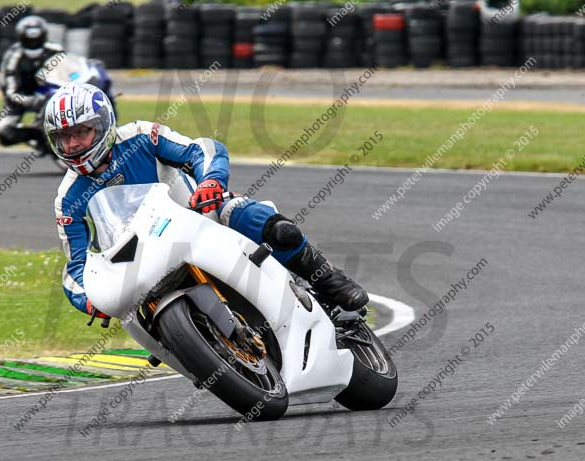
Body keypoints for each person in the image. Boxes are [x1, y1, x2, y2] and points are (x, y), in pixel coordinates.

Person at [46, 83, 368, 318]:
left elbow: (202, 149)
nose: (72, 144)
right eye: (64, 138)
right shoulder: (68, 198)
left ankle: (327, 280)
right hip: (141, 263)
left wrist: (211, 181)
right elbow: (76, 268)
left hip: (200, 215)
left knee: (269, 226)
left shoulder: (141, 136)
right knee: (132, 316)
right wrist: (92, 300)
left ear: (102, 126)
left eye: (80, 133)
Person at [0, 15, 64, 148]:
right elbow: (10, 92)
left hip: (53, 92)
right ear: (21, 38)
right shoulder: (12, 57)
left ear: (43, 37)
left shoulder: (55, 50)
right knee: (5, 133)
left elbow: (72, 66)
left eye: (37, 40)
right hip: (21, 98)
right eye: (29, 40)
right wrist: (31, 100)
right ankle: (39, 136)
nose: (33, 44)